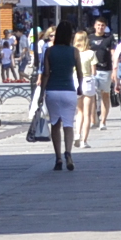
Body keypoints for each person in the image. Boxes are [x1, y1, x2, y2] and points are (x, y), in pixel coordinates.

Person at [40, 21, 81, 172]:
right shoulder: (74, 51)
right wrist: (80, 87)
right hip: (69, 90)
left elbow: (45, 74)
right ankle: (68, 153)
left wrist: (42, 92)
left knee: (55, 124)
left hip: (52, 90)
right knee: (68, 124)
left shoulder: (49, 51)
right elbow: (80, 72)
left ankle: (58, 157)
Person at [74, 30, 100, 149]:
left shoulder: (73, 53)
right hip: (87, 81)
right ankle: (84, 141)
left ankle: (77, 134)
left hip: (76, 81)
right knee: (87, 113)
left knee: (79, 111)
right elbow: (94, 71)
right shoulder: (90, 53)